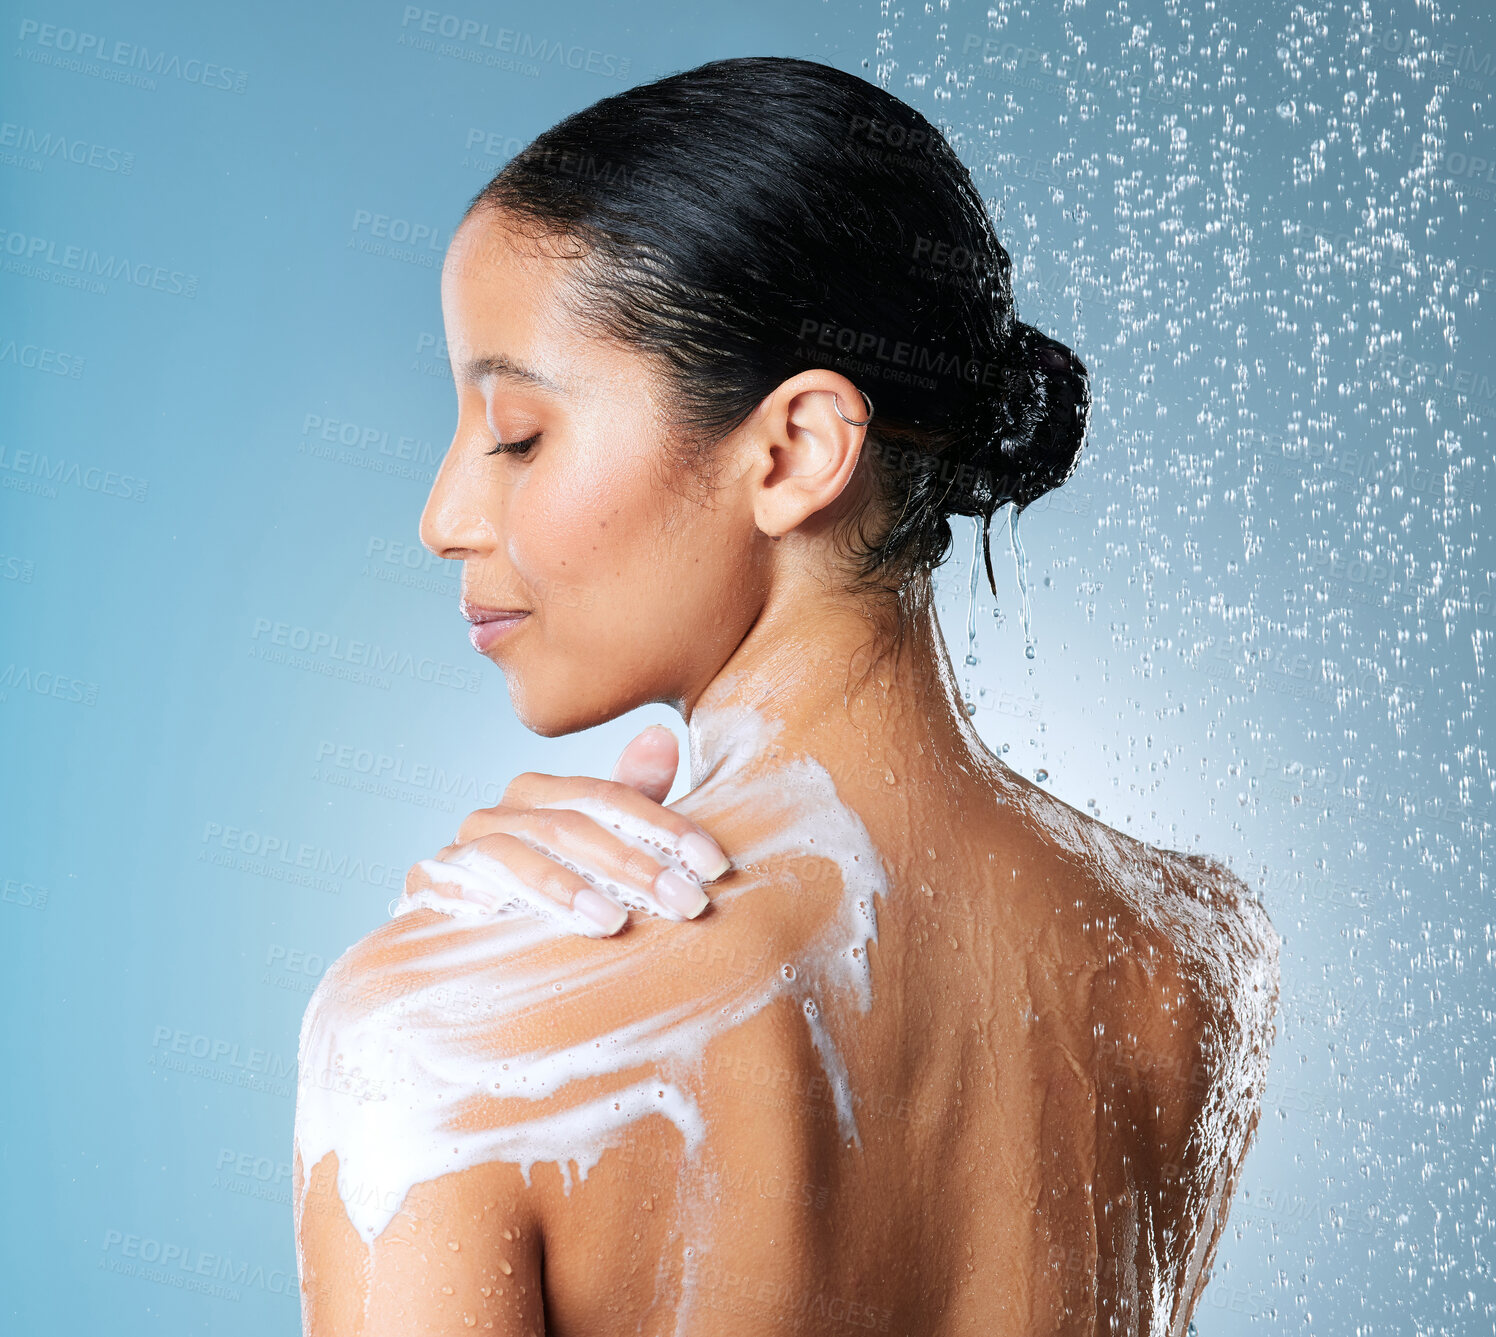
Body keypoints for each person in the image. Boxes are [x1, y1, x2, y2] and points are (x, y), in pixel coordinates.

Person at [293, 56, 1280, 1335]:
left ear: (796, 449)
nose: (443, 516)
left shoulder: (440, 1047)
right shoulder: (1189, 958)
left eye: (518, 433)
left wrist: (477, 969)